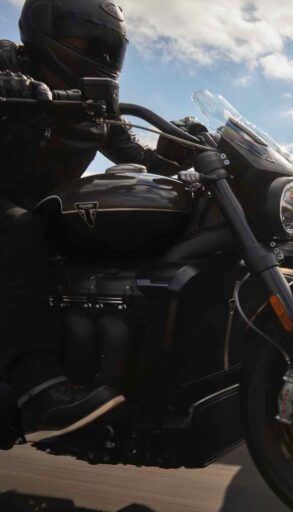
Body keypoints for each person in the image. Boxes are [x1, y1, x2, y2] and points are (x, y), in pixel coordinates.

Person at [0, 0, 188, 442]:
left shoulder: (97, 103)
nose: (98, 56)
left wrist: (186, 149)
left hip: (38, 213)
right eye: (84, 43)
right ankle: (37, 388)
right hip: (11, 212)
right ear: (46, 32)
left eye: (107, 48)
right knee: (22, 227)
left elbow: (138, 156)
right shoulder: (7, 61)